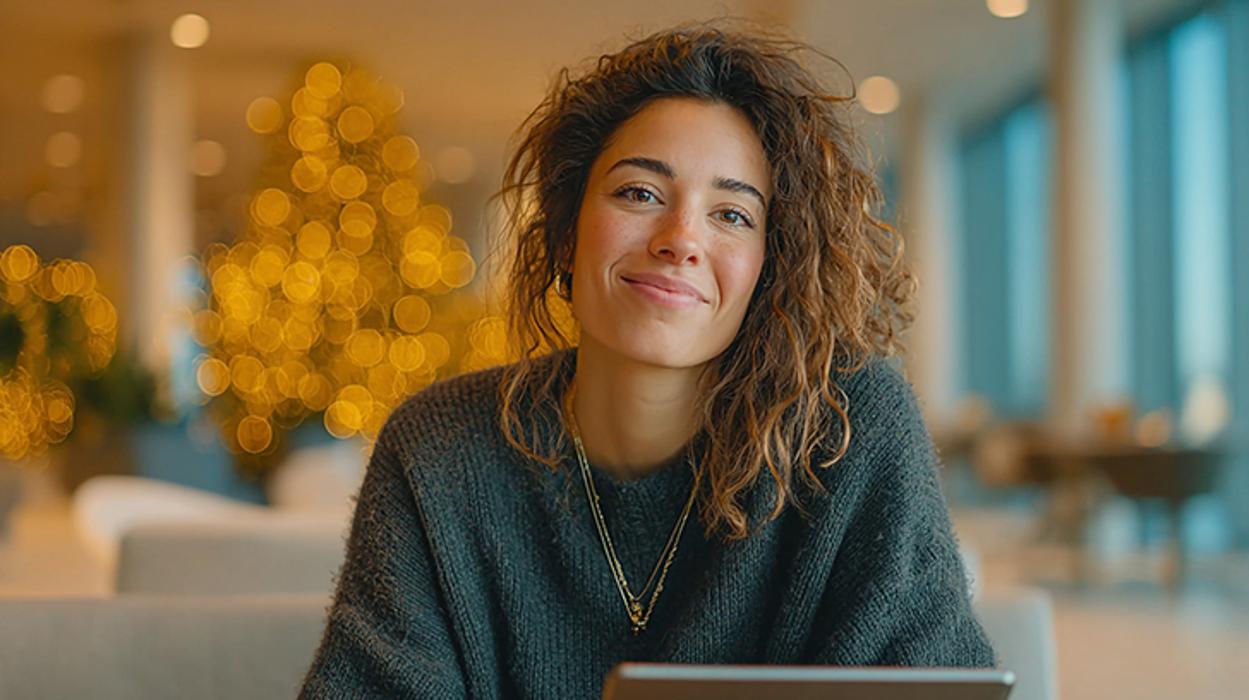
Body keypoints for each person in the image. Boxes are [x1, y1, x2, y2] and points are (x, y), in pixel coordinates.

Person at [301, 23, 995, 699]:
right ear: (565, 231)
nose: (680, 240)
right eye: (640, 194)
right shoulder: (439, 450)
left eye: (732, 215)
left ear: (768, 269)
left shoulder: (849, 428)